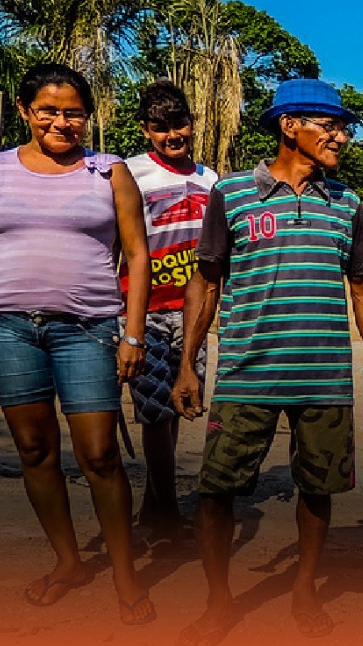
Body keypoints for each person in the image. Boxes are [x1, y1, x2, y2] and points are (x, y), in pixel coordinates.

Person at [172, 79, 363, 646]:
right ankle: (219, 602)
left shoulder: (347, 202)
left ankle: (302, 590)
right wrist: (189, 363)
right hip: (246, 373)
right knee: (216, 490)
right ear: (290, 125)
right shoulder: (235, 193)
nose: (342, 136)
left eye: (344, 126)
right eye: (331, 125)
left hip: (324, 377)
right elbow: (207, 280)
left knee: (317, 489)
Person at [0, 63, 155, 624]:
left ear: (87, 116)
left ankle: (124, 574)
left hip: (89, 328)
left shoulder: (109, 171)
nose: (61, 121)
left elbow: (137, 255)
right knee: (36, 451)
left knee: (100, 453)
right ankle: (68, 561)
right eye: (48, 109)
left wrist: (132, 332)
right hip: (7, 328)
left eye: (73, 111)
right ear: (24, 110)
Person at [121, 80, 218, 541]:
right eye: (160, 128)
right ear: (146, 130)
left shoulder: (211, 180)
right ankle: (168, 511)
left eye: (178, 123)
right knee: (156, 412)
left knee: (176, 405)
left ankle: (153, 505)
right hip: (143, 309)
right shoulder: (130, 174)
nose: (171, 135)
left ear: (191, 123)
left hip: (194, 312)